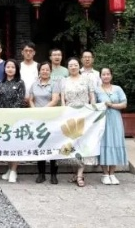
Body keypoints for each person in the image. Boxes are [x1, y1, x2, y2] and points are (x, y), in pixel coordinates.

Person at [60, 57, 96, 188]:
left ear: (78, 66)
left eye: (75, 65)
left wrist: (93, 110)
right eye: (70, 65)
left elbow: (92, 96)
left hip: (84, 115)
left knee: (83, 144)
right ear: (68, 67)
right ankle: (75, 173)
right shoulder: (64, 81)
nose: (73, 67)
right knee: (71, 144)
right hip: (70, 116)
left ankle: (80, 174)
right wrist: (63, 112)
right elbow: (62, 99)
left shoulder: (87, 79)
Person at [29, 61, 61, 184]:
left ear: (50, 71)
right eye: (43, 69)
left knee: (53, 146)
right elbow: (31, 100)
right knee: (40, 145)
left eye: (47, 69)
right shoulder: (34, 84)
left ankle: (53, 174)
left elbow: (55, 100)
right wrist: (34, 110)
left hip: (51, 118)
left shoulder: (54, 84)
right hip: (38, 119)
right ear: (39, 71)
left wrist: (43, 110)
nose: (45, 71)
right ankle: (41, 174)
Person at [0, 59, 26, 183]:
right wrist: (2, 114)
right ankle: (9, 168)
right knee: (6, 144)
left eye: (13, 67)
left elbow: (20, 100)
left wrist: (11, 114)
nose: (10, 69)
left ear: (16, 69)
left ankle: (14, 170)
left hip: (15, 118)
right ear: (4, 69)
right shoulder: (0, 83)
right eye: (8, 67)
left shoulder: (20, 83)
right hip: (3, 119)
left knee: (15, 145)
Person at [95, 67, 128, 185]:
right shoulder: (96, 90)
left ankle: (112, 173)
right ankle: (105, 174)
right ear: (100, 76)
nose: (106, 76)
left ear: (111, 76)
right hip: (102, 120)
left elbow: (124, 104)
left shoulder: (118, 88)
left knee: (115, 142)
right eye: (103, 74)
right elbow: (93, 105)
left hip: (115, 119)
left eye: (108, 74)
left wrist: (111, 105)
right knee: (103, 144)